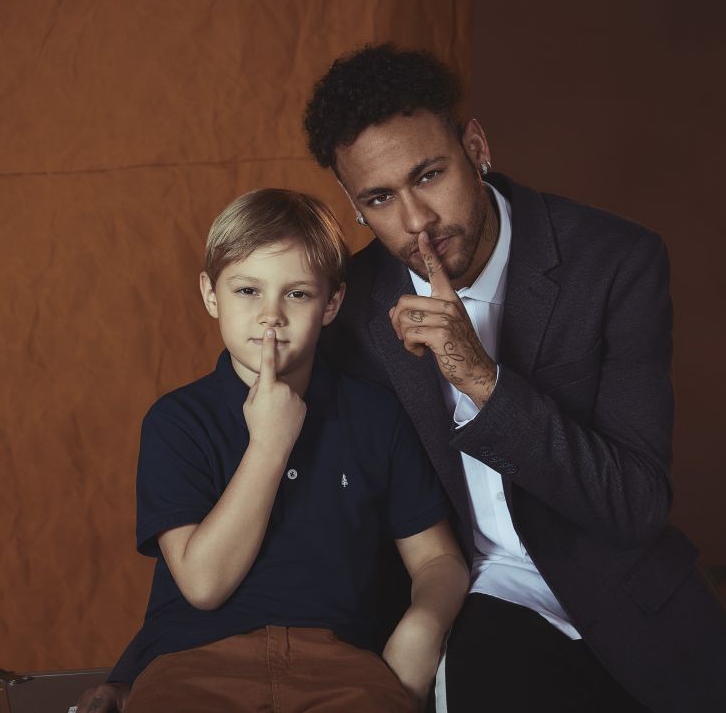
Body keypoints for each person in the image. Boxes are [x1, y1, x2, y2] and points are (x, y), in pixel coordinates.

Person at [79, 45, 726, 712]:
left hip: (620, 596)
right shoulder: (343, 303)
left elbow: (635, 505)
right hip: (472, 608)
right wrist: (136, 669)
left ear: (474, 146)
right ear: (353, 205)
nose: (415, 220)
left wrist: (480, 378)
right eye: (380, 198)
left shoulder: (614, 261)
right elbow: (263, 525)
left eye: (429, 175)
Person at [84, 188, 469, 713]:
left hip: (342, 666)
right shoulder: (177, 422)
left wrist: (422, 628)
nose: (271, 316)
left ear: (332, 302)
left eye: (297, 294)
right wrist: (269, 442)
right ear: (211, 294)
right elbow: (204, 584)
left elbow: (438, 559)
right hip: (193, 666)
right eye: (247, 290)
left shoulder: (376, 415)